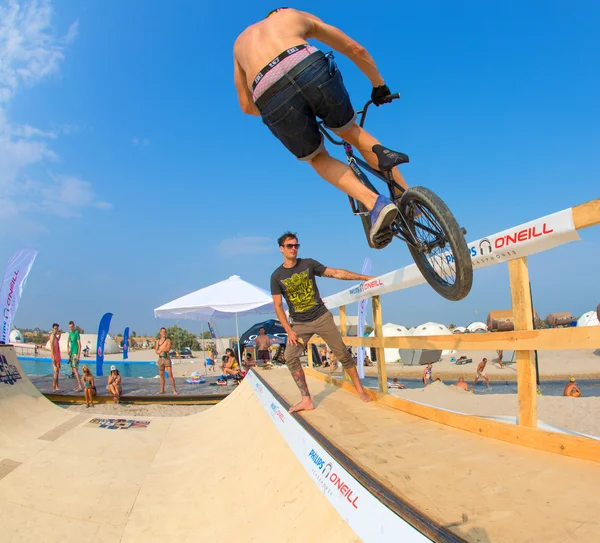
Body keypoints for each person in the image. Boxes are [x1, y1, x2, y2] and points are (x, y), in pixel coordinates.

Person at [234, 8, 409, 250]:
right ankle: (410, 203)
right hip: (308, 65)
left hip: (268, 93)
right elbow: (354, 48)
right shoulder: (292, 16)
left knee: (317, 157)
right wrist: (379, 85)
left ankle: (375, 203)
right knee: (350, 131)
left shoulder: (241, 41)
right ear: (281, 11)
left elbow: (246, 105)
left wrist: (285, 109)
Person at [271, 232, 372, 413]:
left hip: (321, 317)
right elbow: (278, 306)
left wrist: (365, 278)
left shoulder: (308, 264)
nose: (294, 248)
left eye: (296, 245)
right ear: (281, 249)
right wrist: (289, 330)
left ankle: (360, 389)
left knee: (342, 353)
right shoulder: (276, 276)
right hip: (300, 325)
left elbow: (336, 273)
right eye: (289, 246)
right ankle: (306, 399)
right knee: (290, 356)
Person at [155, 327, 178, 395]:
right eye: (162, 332)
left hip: (166, 358)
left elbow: (168, 349)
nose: (163, 333)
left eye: (164, 332)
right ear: (160, 333)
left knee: (170, 374)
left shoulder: (168, 340)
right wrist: (158, 352)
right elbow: (156, 350)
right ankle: (162, 390)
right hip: (160, 359)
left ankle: (174, 390)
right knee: (161, 375)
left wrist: (161, 350)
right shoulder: (157, 341)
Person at [67, 321, 83, 392]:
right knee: (73, 370)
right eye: (70, 327)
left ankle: (80, 386)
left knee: (75, 370)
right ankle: (79, 385)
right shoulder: (70, 334)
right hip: (71, 354)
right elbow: (69, 342)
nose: (71, 328)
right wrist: (68, 349)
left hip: (75, 353)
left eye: (72, 327)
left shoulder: (76, 333)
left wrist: (78, 355)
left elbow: (79, 345)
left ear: (74, 326)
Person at [50, 323, 62, 392]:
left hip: (58, 357)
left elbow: (58, 339)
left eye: (57, 328)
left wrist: (60, 334)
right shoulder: (52, 336)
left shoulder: (55, 336)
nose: (56, 330)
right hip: (55, 358)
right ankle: (54, 387)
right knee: (56, 373)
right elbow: (51, 348)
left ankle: (57, 386)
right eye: (55, 328)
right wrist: (53, 359)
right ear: (52, 329)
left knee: (57, 373)